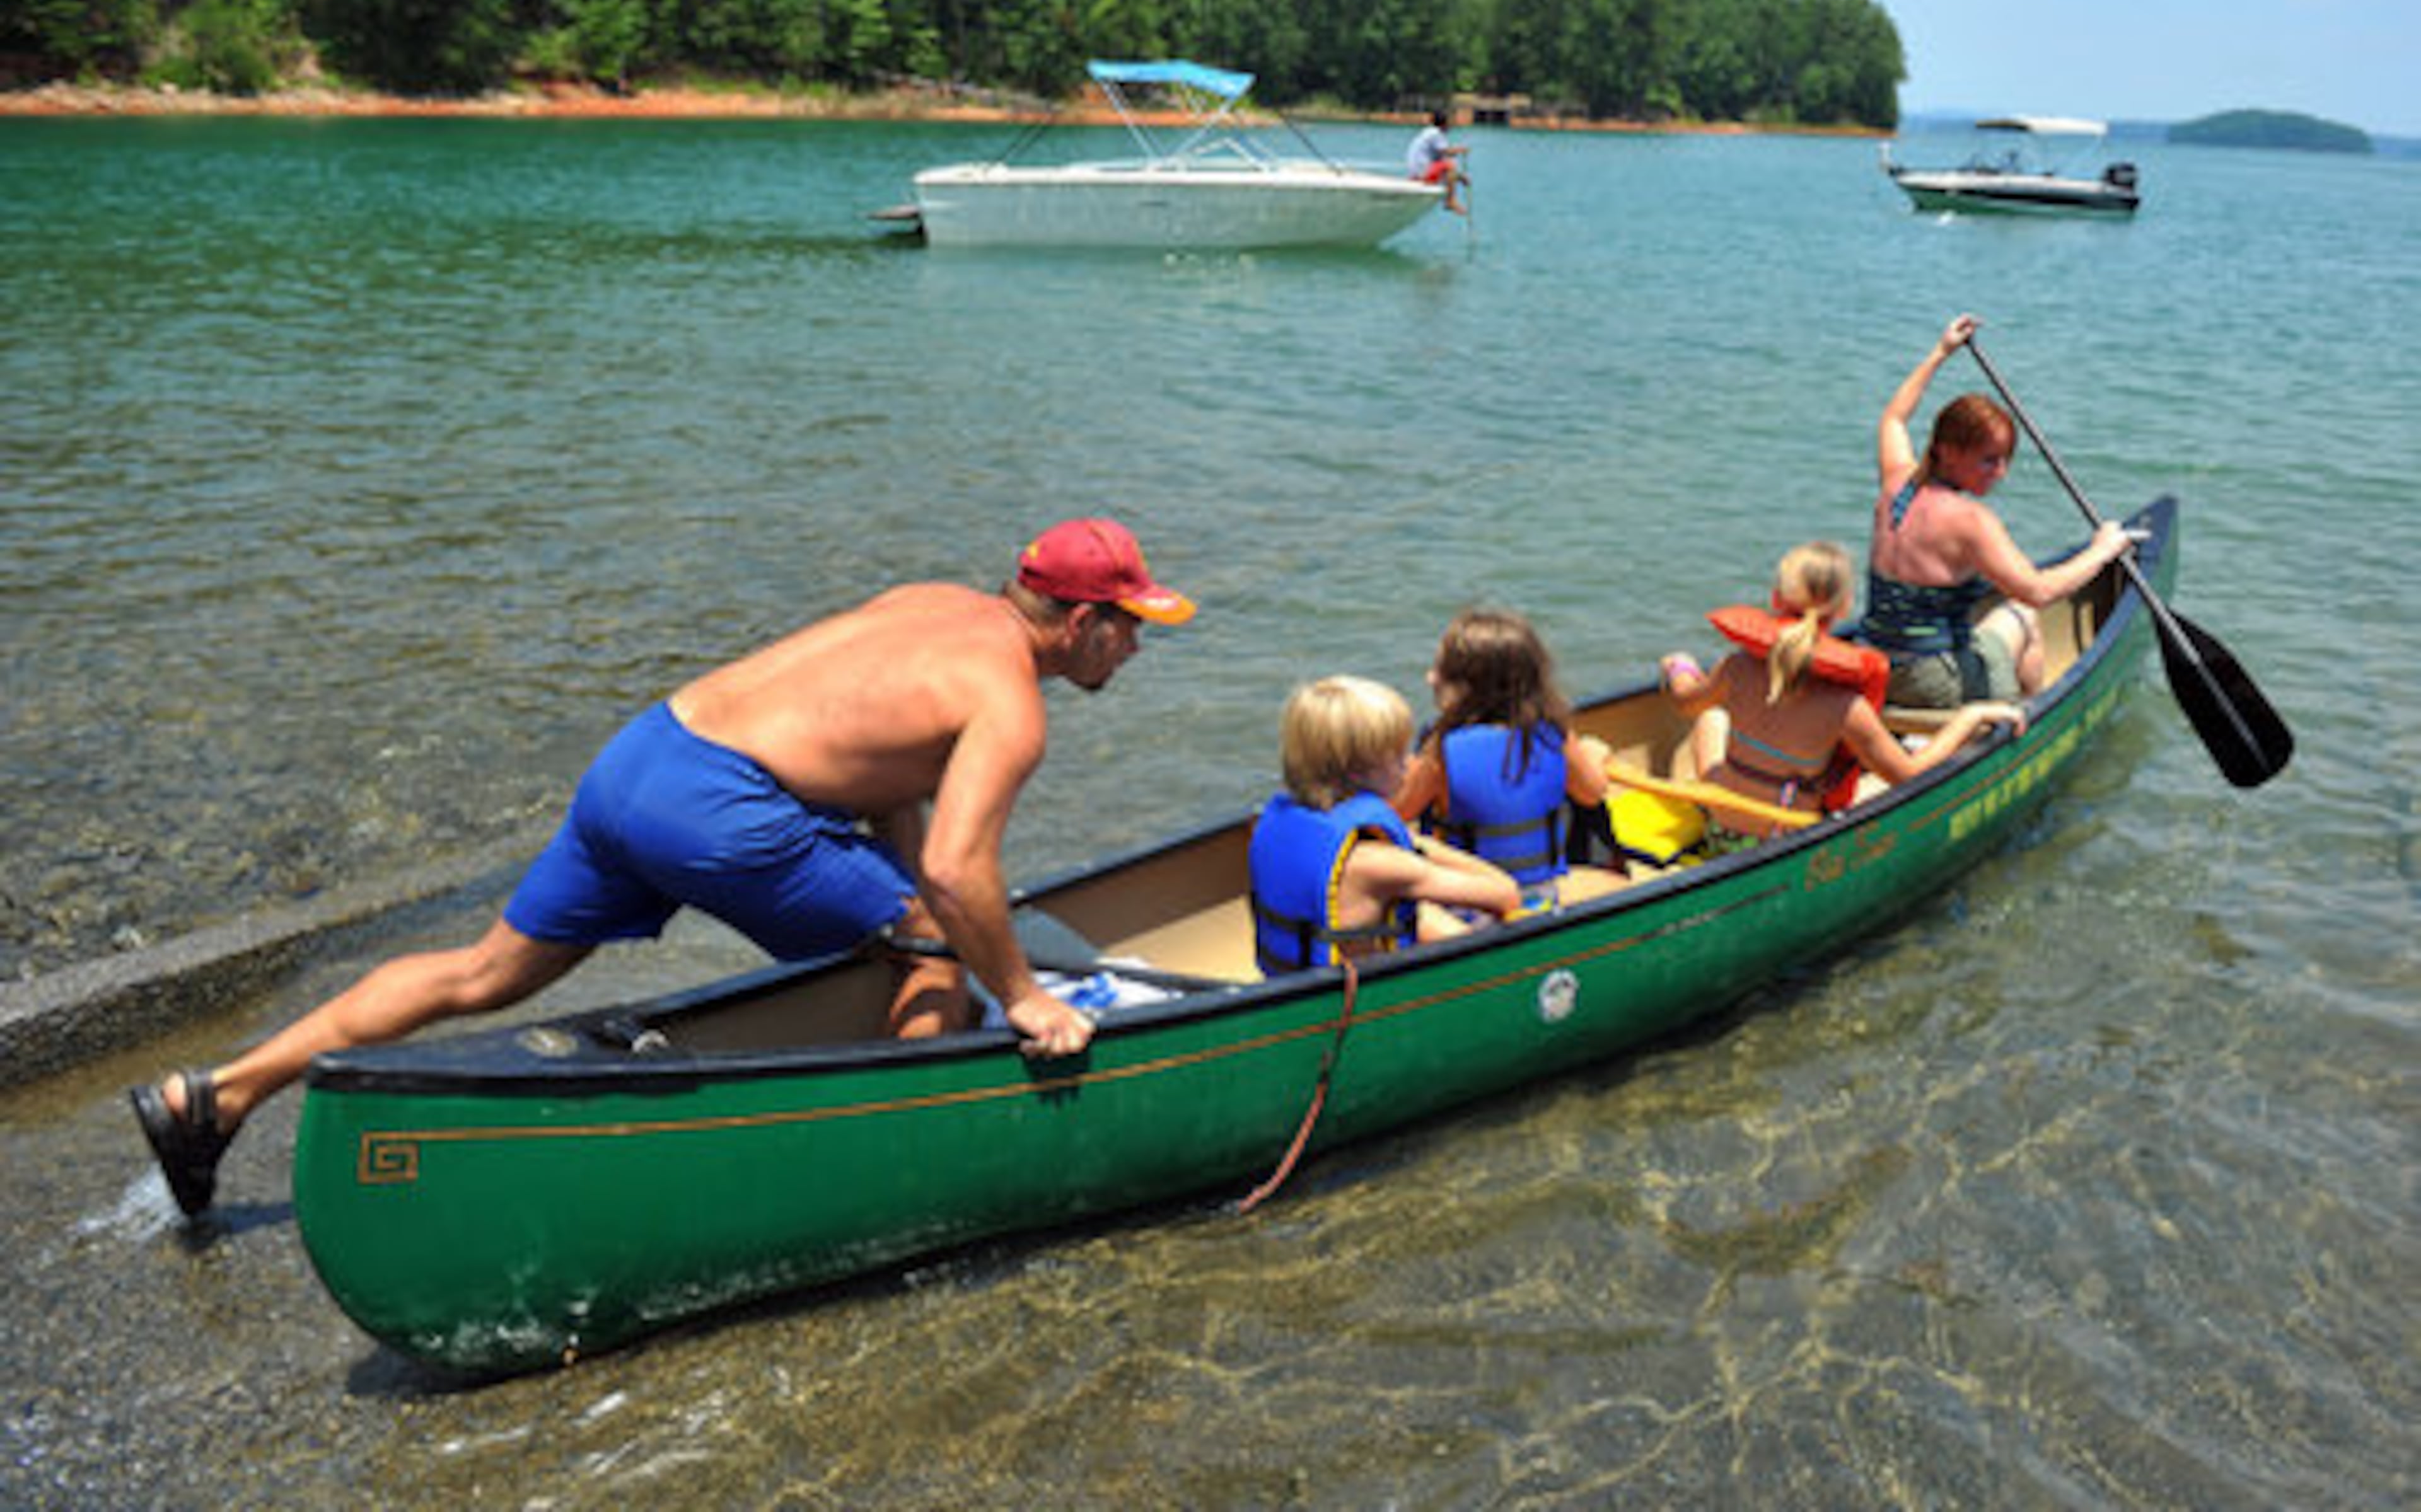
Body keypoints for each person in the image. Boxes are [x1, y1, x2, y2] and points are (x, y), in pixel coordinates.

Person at [130, 517, 1195, 1218]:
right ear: (1087, 624)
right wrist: (1019, 995)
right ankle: (894, 1174)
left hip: (643, 756)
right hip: (722, 809)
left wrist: (912, 892)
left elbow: (889, 769)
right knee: (938, 957)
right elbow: (964, 873)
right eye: (1132, 630)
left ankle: (215, 1095)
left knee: (484, 972)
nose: (1136, 654)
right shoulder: (1011, 704)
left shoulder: (927, 602)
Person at [1660, 540, 2024, 846]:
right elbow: (1909, 777)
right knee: (1886, 771)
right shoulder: (1846, 707)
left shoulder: (1736, 667)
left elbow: (1684, 702)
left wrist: (1679, 667)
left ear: (1776, 598)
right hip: (1779, 837)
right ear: (1844, 608)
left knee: (1710, 716)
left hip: (1722, 831)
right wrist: (1970, 717)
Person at [1866, 313, 2134, 707]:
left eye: (2006, 460)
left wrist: (1941, 352)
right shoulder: (1970, 521)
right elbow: (2039, 591)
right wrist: (2103, 550)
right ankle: (2025, 717)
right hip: (1932, 682)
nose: (2001, 473)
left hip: (1878, 666)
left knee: (1990, 610)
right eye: (1989, 460)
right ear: (1947, 452)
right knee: (2024, 615)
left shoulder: (1896, 483)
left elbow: (1894, 418)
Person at [1249, 676, 1521, 977]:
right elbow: (1505, 893)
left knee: (1422, 916)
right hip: (1354, 1004)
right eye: (1397, 754)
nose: (1409, 762)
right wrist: (1416, 846)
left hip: (1287, 981)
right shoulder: (1382, 865)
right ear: (1357, 768)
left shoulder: (1279, 821)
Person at [1391, 608, 1628, 908]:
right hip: (1543, 896)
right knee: (1593, 823)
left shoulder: (1441, 749)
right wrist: (1594, 755)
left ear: (1469, 686)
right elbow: (1593, 792)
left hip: (1470, 902)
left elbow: (1394, 815)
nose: (1430, 678)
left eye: (1441, 670)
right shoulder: (1554, 733)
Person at [1405, 108, 1470, 215]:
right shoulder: (1436, 134)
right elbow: (1448, 153)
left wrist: (1460, 178)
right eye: (1450, 123)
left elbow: (1443, 167)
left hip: (1418, 172)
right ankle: (1450, 201)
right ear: (1444, 124)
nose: (1452, 126)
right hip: (1422, 172)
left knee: (1448, 166)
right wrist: (1461, 150)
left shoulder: (1429, 132)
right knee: (1450, 164)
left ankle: (1449, 200)